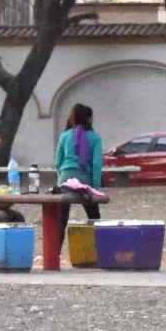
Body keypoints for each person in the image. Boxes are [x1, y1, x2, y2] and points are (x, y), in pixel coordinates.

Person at [52, 103, 104, 250]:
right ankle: (100, 250)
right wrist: (94, 187)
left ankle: (55, 254)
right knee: (94, 217)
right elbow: (96, 165)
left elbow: (57, 162)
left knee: (61, 220)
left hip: (64, 180)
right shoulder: (95, 138)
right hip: (84, 182)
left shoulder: (64, 136)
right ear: (89, 119)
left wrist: (61, 178)